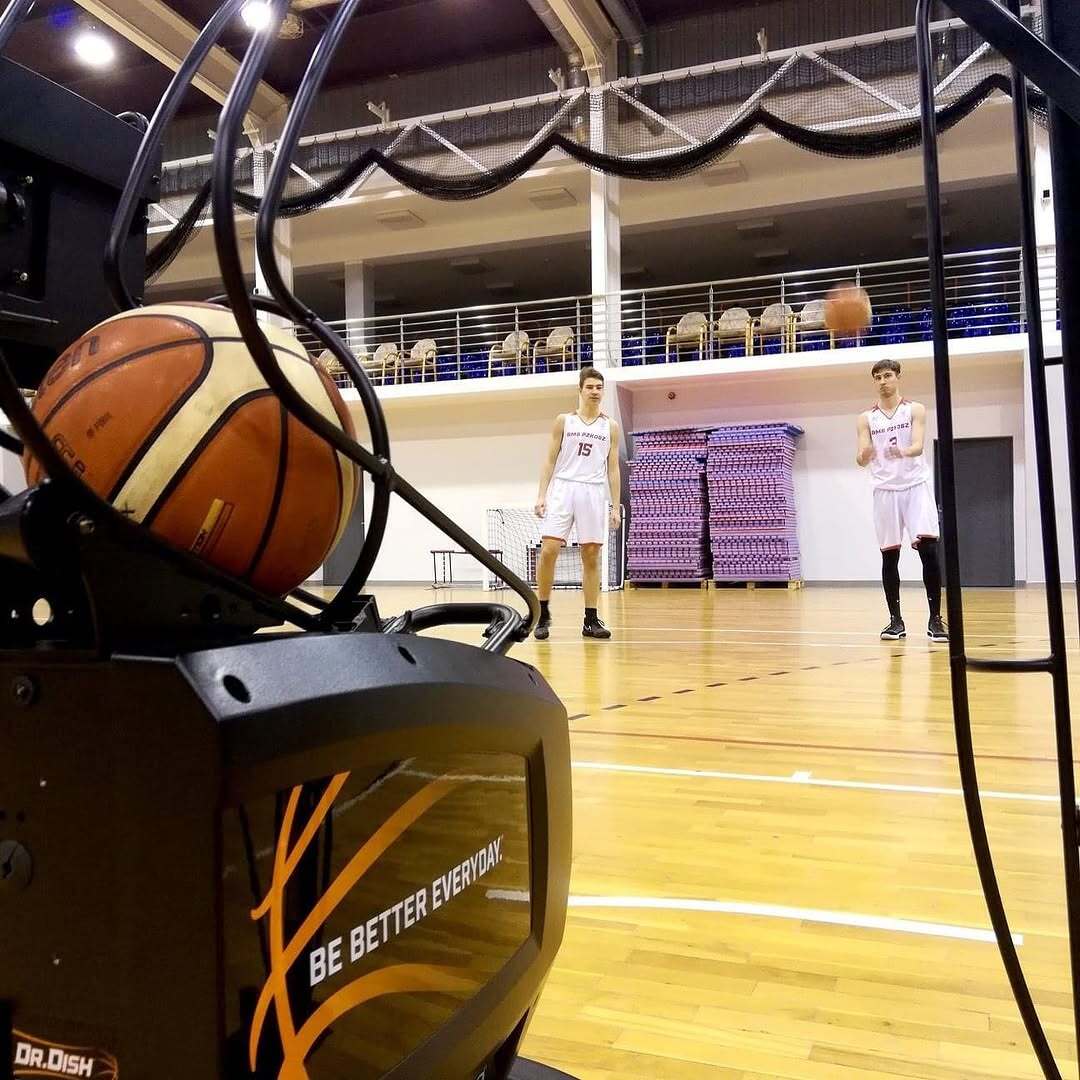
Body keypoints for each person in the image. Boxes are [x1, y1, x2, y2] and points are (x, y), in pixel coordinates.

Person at [856, 358, 948, 643]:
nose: (883, 381)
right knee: (889, 556)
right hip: (884, 490)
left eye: (887, 376)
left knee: (928, 551)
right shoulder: (865, 418)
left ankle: (935, 619)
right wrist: (866, 454)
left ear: (897, 377)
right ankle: (895, 621)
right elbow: (860, 458)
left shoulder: (914, 410)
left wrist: (904, 452)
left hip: (914, 487)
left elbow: (919, 445)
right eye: (878, 377)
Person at [533, 367, 622, 640]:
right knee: (549, 550)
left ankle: (590, 619)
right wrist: (541, 494)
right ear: (580, 389)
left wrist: (615, 506)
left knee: (592, 554)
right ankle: (542, 612)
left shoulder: (610, 426)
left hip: (594, 492)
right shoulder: (564, 421)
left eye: (599, 387)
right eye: (590, 387)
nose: (595, 392)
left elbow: (613, 469)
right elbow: (549, 460)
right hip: (564, 487)